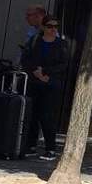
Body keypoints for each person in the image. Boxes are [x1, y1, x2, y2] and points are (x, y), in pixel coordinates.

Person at [22, 15, 69, 160]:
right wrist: (36, 71)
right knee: (33, 114)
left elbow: (64, 64)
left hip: (52, 84)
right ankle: (31, 145)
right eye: (50, 26)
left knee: (48, 116)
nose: (53, 29)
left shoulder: (61, 44)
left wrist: (47, 73)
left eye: (55, 26)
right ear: (43, 27)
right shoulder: (35, 41)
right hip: (35, 82)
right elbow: (26, 59)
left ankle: (50, 148)